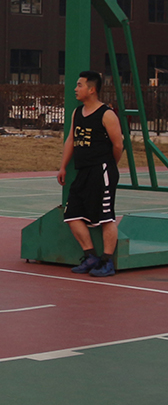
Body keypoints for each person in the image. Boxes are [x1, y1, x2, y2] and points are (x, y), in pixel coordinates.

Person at [57, 71, 124, 278]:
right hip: (83, 171)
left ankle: (107, 261)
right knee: (72, 214)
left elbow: (118, 145)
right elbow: (71, 140)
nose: (75, 89)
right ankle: (91, 256)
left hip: (102, 170)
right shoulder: (77, 113)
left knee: (106, 217)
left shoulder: (107, 114)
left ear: (92, 89)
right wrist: (63, 166)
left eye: (80, 85)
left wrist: (109, 165)